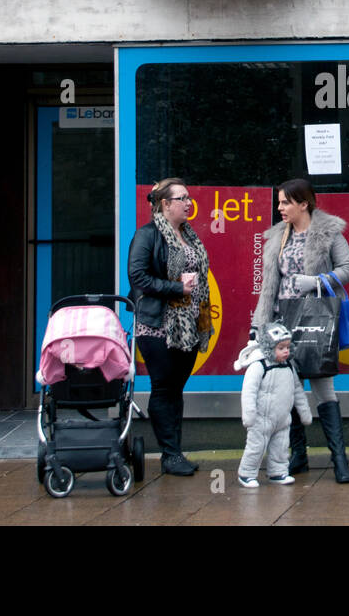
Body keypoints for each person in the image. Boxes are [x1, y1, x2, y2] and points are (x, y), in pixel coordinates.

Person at [251, 178, 349, 483]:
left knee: (324, 388)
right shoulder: (277, 237)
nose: (280, 208)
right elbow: (268, 287)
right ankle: (299, 456)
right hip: (283, 323)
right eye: (279, 202)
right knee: (287, 389)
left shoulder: (328, 232)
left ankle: (340, 460)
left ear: (303, 203)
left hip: (316, 319)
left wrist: (317, 281)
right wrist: (257, 327)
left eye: (285, 202)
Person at [127, 178, 212, 476]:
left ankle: (174, 452)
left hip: (189, 325)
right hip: (158, 326)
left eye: (189, 197)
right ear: (164, 204)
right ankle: (169, 454)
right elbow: (138, 278)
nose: (188, 203)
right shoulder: (147, 235)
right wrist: (176, 287)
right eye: (181, 198)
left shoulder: (188, 234)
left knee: (175, 389)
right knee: (164, 388)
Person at [234, 322, 311, 488]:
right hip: (261, 419)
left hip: (283, 419)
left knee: (281, 447)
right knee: (255, 447)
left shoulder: (289, 367)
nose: (286, 351)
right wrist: (249, 415)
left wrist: (304, 413)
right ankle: (246, 473)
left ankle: (277, 471)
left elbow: (297, 390)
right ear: (269, 348)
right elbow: (249, 392)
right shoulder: (258, 366)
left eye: (287, 347)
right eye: (280, 347)